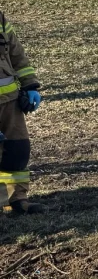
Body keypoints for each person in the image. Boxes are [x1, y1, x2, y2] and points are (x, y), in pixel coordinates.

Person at [0, 11, 43, 214]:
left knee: (17, 150)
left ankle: (15, 199)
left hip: (10, 102)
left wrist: (30, 85)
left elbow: (16, 52)